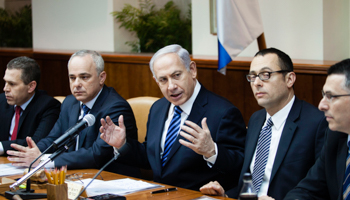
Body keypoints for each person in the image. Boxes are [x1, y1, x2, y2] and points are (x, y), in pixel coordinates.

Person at [99, 44, 246, 190]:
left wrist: (212, 151)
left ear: (192, 70)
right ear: (156, 81)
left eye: (176, 75)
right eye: (163, 80)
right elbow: (152, 159)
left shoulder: (223, 112)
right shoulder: (158, 108)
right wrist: (122, 145)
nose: (171, 86)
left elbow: (240, 166)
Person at [200, 48, 327, 200]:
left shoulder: (317, 123)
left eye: (265, 75)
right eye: (252, 77)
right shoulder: (256, 119)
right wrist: (225, 195)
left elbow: (323, 187)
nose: (257, 83)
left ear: (289, 79)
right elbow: (248, 186)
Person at [7, 50, 139, 177]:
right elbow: (53, 139)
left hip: (111, 180)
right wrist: (34, 152)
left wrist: (43, 160)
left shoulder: (115, 107)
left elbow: (97, 155)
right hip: (75, 175)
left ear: (101, 77)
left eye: (84, 77)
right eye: (72, 77)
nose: (76, 84)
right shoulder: (70, 102)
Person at [284, 58, 350, 200]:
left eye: (331, 96)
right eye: (323, 95)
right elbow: (307, 190)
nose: (321, 105)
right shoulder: (336, 136)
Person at [0, 56, 60, 155]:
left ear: (31, 86)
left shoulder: (49, 106)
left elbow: (36, 143)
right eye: (5, 82)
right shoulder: (2, 100)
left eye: (12, 84)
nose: (5, 88)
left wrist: (2, 146)